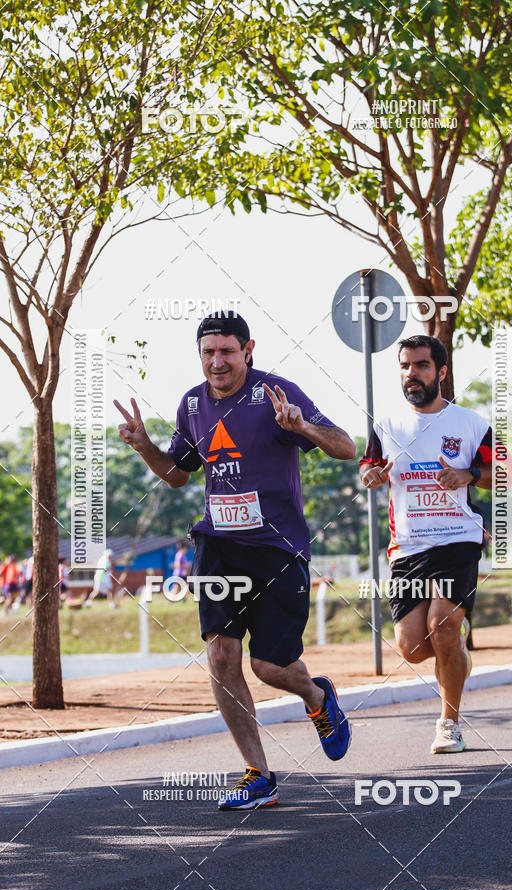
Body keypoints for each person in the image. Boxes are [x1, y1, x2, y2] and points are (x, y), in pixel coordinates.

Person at [115, 311, 355, 809]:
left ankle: (316, 696)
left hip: (277, 548)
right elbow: (178, 473)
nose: (217, 361)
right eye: (208, 353)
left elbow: (346, 448)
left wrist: (302, 426)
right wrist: (144, 447)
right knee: (221, 654)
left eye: (227, 351)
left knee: (269, 666)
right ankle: (257, 774)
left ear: (248, 349)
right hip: (218, 544)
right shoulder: (193, 404)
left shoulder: (275, 394)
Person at [359, 335, 492, 754]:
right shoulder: (386, 424)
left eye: (420, 366)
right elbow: (368, 465)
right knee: (413, 648)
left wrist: (468, 475)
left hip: (457, 538)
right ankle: (458, 656)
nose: (411, 374)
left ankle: (448, 724)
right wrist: (371, 476)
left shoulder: (471, 423)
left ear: (441, 372)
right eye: (405, 366)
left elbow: (502, 473)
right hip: (408, 547)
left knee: (443, 626)